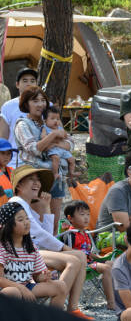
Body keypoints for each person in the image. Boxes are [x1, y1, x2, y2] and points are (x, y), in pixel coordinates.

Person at [8, 164, 90, 320]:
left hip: (33, 251)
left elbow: (46, 234)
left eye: (38, 180)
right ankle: (56, 313)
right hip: (22, 254)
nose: (37, 183)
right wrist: (65, 248)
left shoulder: (26, 205)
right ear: (19, 185)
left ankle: (72, 308)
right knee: (73, 260)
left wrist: (46, 208)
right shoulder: (16, 202)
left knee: (79, 256)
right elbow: (38, 235)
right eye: (31, 179)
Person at [14, 85, 73, 233]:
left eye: (43, 100)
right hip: (36, 177)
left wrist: (52, 142)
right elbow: (34, 149)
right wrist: (54, 136)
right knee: (40, 223)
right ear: (26, 104)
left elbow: (70, 144)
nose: (40, 104)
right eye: (35, 101)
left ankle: (56, 252)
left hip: (57, 177)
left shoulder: (52, 120)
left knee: (54, 224)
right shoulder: (22, 125)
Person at [0, 201, 68, 308]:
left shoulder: (30, 247)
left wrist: (44, 277)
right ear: (8, 224)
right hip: (6, 289)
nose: (26, 222)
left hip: (28, 286)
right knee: (13, 292)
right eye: (20, 220)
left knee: (60, 286)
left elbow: (37, 276)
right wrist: (21, 289)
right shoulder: (2, 247)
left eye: (27, 218)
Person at [62, 200, 116, 310]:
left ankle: (118, 297)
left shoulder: (85, 233)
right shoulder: (70, 235)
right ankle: (111, 302)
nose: (86, 218)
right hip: (81, 266)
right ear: (70, 218)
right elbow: (65, 253)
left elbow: (88, 252)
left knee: (112, 263)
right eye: (82, 215)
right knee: (106, 268)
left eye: (88, 214)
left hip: (90, 262)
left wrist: (101, 258)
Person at [0, 67, 39, 162]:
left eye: (32, 81)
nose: (29, 83)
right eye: (25, 80)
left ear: (37, 84)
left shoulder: (45, 105)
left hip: (40, 160)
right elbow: (2, 137)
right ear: (17, 84)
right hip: (14, 160)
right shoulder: (8, 106)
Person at [41, 105, 77, 180]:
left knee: (72, 159)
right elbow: (43, 138)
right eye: (52, 118)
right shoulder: (45, 128)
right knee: (56, 158)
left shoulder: (60, 128)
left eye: (57, 119)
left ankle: (72, 172)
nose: (55, 121)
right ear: (45, 120)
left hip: (62, 149)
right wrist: (53, 136)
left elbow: (66, 137)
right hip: (53, 149)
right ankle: (55, 173)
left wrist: (63, 135)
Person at [0, 139, 15, 204]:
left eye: (9, 153)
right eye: (3, 153)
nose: (6, 157)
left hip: (13, 208)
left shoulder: (13, 171)